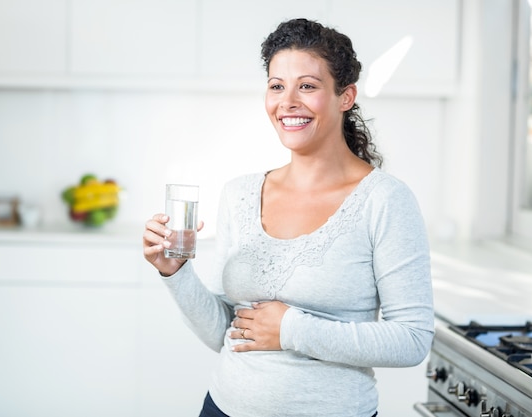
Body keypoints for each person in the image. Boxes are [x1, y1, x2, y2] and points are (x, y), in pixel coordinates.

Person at [143, 18, 434, 417]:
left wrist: (291, 330)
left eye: (308, 86)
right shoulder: (239, 193)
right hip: (224, 407)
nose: (288, 101)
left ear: (345, 96)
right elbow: (227, 334)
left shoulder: (385, 201)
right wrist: (175, 273)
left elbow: (412, 340)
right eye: (277, 85)